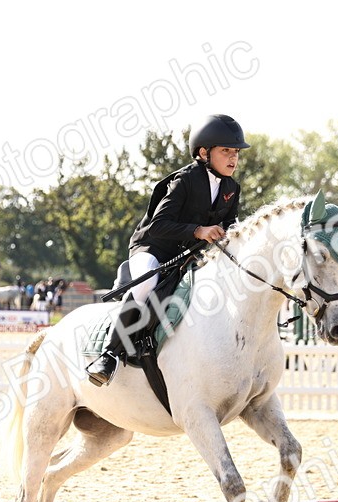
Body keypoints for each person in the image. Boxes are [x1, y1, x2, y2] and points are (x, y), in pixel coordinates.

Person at [86, 113, 247, 386]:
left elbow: (231, 227)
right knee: (146, 284)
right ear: (204, 152)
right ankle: (110, 354)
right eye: (226, 151)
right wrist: (198, 230)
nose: (233, 158)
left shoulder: (232, 187)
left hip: (189, 254)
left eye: (236, 152)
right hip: (153, 248)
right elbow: (158, 225)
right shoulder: (184, 181)